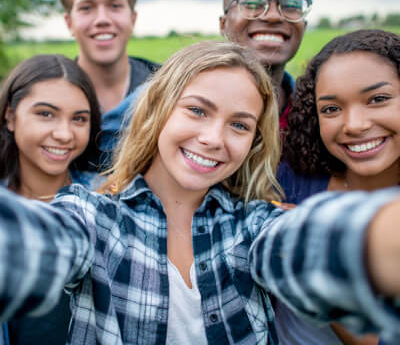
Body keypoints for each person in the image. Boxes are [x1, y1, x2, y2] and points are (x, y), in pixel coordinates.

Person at [0, 42, 399, 345]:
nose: (213, 139)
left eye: (239, 126)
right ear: (159, 109)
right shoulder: (93, 216)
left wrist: (378, 240)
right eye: (197, 110)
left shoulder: (253, 225)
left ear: (253, 143)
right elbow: (34, 243)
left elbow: (306, 244)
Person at [277, 29, 400, 345]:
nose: (355, 125)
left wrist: (305, 252)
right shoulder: (289, 178)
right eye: (331, 108)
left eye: (378, 99)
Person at [0, 54, 102, 345]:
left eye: (79, 119)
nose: (63, 134)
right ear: (10, 116)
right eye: (45, 114)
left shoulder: (106, 201)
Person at [58, 0, 159, 167]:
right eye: (86, 7)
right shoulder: (49, 92)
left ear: (132, 19)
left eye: (114, 5)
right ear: (69, 23)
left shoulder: (167, 87)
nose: (102, 19)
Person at [220, 0, 312, 129]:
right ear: (224, 24)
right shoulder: (170, 107)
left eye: (291, 4)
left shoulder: (319, 117)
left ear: (304, 25)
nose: (273, 16)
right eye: (253, 2)